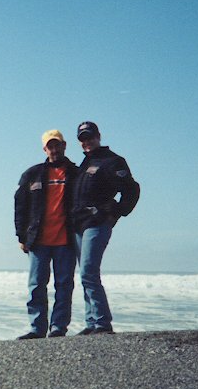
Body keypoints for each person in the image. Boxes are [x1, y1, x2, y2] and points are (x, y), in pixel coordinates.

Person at [71, 121, 140, 335]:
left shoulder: (113, 161)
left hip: (97, 223)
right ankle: (91, 321)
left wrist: (117, 212)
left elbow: (131, 188)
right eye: (82, 138)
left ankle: (102, 323)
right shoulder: (83, 165)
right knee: (84, 273)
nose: (86, 141)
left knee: (89, 272)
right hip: (79, 224)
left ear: (98, 136)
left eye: (90, 137)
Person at [14, 129, 78, 339]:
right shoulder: (32, 174)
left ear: (65, 145)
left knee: (64, 286)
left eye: (57, 144)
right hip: (38, 241)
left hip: (66, 241)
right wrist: (21, 236)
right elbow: (20, 206)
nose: (54, 149)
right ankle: (37, 328)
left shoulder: (76, 173)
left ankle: (58, 328)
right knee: (36, 286)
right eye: (50, 145)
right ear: (44, 148)